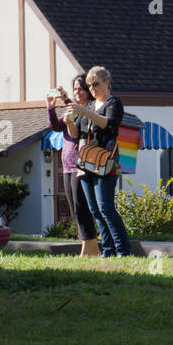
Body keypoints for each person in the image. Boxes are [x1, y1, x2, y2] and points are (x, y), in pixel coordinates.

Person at [68, 66, 132, 258]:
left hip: (106, 164)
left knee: (106, 208)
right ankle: (108, 250)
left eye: (95, 84)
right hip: (86, 164)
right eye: (89, 85)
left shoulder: (114, 103)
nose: (92, 88)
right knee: (95, 210)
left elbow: (109, 125)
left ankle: (122, 250)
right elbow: (75, 134)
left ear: (106, 82)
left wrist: (84, 112)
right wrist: (69, 122)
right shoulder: (87, 107)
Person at [47, 75, 97, 257]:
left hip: (81, 166)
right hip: (67, 165)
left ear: (88, 91)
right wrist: (51, 107)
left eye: (81, 89)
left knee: (81, 208)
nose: (77, 92)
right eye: (75, 89)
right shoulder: (71, 108)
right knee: (75, 210)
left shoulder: (89, 110)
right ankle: (92, 249)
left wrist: (67, 101)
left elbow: (76, 131)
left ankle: (87, 250)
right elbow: (55, 126)